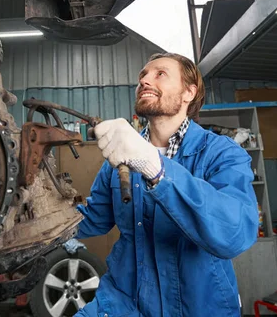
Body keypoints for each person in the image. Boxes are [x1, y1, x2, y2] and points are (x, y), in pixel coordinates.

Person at [74, 53, 258, 317]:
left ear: (189, 93)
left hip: (200, 308)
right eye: (142, 76)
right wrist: (31, 217)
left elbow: (235, 233)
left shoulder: (222, 153)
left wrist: (154, 167)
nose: (145, 81)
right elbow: (93, 218)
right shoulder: (119, 158)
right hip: (123, 304)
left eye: (160, 74)